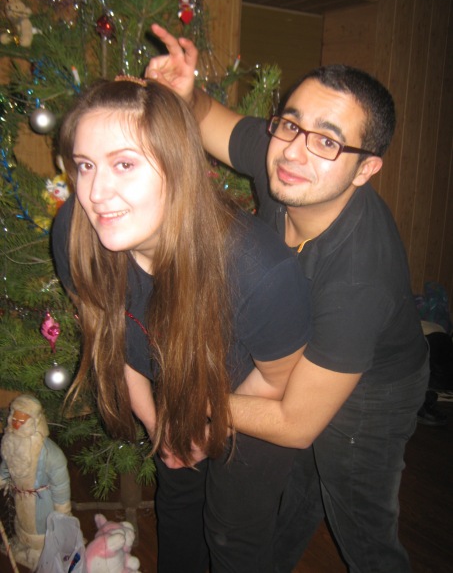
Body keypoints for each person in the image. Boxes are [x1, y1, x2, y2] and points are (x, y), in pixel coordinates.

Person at [146, 24, 430, 573]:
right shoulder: (288, 156)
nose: (296, 151)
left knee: (359, 522)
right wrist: (186, 91)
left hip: (375, 388)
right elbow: (207, 117)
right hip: (307, 351)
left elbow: (296, 421)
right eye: (292, 124)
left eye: (328, 141)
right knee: (295, 496)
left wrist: (196, 405)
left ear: (366, 168)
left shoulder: (359, 277)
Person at [51, 76, 311, 573]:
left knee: (233, 533)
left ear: (178, 167)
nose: (96, 193)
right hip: (175, 390)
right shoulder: (75, 234)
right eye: (85, 165)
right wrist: (160, 425)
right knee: (177, 505)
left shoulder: (259, 271)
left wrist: (206, 428)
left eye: (124, 164)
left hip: (252, 403)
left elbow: (278, 380)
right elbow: (111, 337)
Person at [0, 394, 71, 570]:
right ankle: (25, 545)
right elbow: (8, 465)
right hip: (19, 495)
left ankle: (44, 552)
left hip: (41, 501)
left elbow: (60, 484)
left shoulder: (49, 453)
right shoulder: (11, 442)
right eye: (14, 420)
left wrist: (62, 510)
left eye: (22, 421)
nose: (17, 425)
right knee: (22, 521)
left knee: (41, 527)